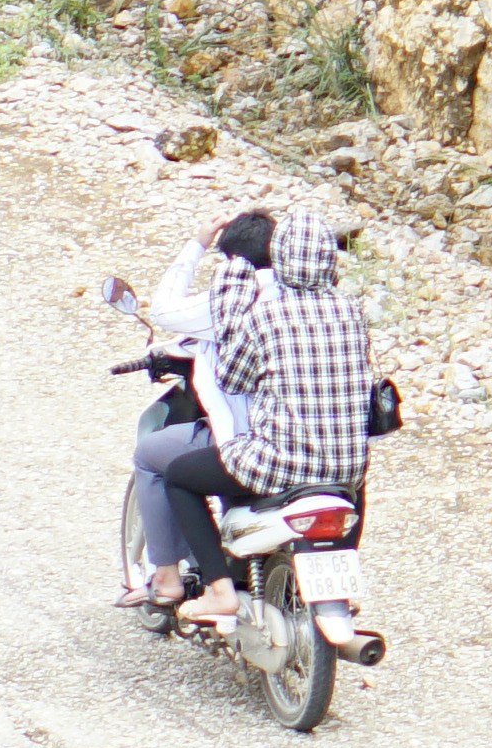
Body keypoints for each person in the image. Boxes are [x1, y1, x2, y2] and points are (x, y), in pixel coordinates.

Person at [126, 208, 377, 618]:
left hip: (279, 460)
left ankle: (217, 589)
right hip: (348, 465)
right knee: (351, 486)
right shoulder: (351, 311)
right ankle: (337, 582)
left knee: (178, 477)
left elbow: (233, 378)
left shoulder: (264, 312)